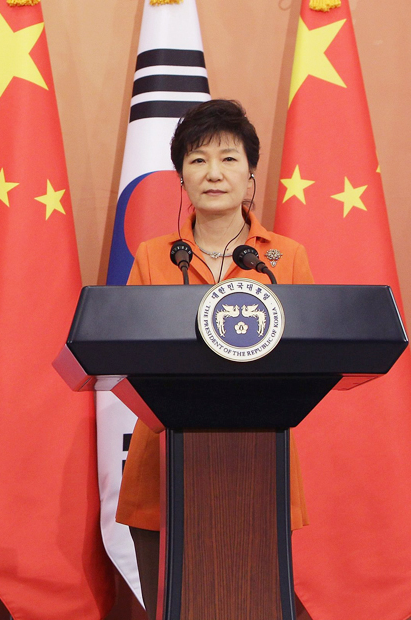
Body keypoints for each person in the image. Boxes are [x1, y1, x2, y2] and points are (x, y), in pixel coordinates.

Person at [114, 99, 313, 619]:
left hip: (258, 465)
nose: (213, 173)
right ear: (182, 178)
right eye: (198, 160)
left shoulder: (284, 257)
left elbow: (311, 354)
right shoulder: (155, 257)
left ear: (251, 175)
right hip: (164, 467)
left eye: (228, 159)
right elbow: (124, 354)